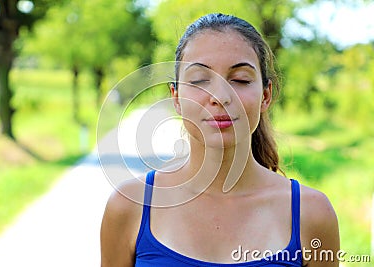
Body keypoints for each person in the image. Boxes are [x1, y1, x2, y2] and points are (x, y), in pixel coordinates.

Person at [100, 13, 339, 266]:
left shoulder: (311, 214)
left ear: (266, 96)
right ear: (177, 97)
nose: (220, 96)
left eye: (240, 80)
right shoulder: (129, 207)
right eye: (200, 80)